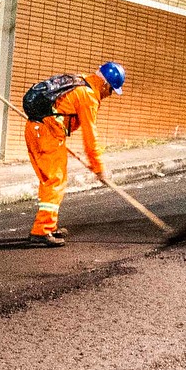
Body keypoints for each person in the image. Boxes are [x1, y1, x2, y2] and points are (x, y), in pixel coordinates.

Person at [22, 61, 125, 246]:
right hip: (46, 134)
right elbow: (90, 137)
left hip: (38, 129)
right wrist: (98, 167)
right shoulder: (88, 96)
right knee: (55, 181)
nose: (109, 95)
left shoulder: (81, 80)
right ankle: (41, 231)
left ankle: (49, 225)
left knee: (51, 180)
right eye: (111, 90)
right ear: (105, 84)